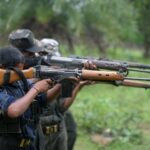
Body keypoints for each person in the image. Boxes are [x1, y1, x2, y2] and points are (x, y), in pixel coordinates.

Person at [8, 29, 89, 150]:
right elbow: (14, 110)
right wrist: (36, 87)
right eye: (31, 55)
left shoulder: (34, 74)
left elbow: (52, 103)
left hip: (51, 131)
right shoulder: (13, 79)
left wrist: (74, 83)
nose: (38, 58)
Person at [0, 46, 61, 150]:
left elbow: (43, 99)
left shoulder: (19, 83)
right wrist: (36, 89)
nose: (21, 74)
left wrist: (62, 84)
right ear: (2, 67)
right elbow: (13, 110)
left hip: (29, 145)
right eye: (17, 71)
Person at [40, 38, 77, 150]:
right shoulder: (31, 74)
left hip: (57, 125)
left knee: (71, 133)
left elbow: (63, 106)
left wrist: (78, 84)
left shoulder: (64, 72)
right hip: (38, 126)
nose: (54, 65)